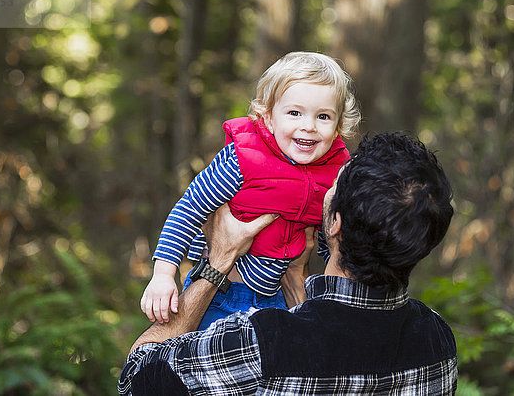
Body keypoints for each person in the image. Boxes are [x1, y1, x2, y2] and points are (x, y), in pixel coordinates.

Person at [119, 132, 458, 395]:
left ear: (335, 224)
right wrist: (295, 279)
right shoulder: (437, 341)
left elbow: (138, 380)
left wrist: (218, 261)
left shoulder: (262, 342)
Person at [141, 52, 361, 329]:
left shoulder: (334, 174)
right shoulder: (243, 158)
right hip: (219, 295)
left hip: (276, 298)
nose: (309, 126)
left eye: (324, 116)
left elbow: (331, 240)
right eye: (294, 113)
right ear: (267, 117)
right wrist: (163, 274)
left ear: (339, 125)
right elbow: (188, 209)